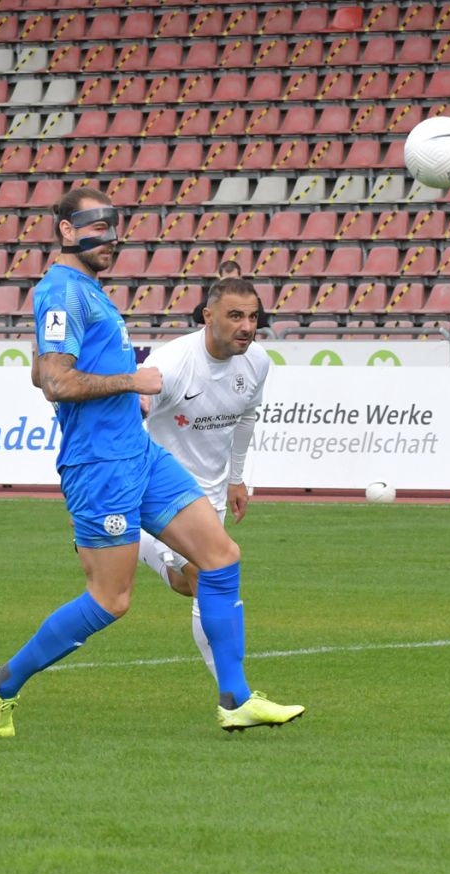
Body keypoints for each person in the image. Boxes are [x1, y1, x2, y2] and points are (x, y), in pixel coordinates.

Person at [0, 187, 302, 737]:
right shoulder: (62, 290)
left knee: (220, 557)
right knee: (111, 600)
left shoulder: (86, 290)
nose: (110, 238)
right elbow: (55, 383)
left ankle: (236, 699)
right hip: (99, 463)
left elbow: (41, 370)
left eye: (114, 227)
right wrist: (131, 380)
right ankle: (2, 683)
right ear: (66, 231)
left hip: (138, 452)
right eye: (96, 226)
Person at [137, 274, 271, 678]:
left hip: (210, 493)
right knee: (207, 579)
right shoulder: (172, 363)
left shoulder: (257, 362)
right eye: (235, 316)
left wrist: (236, 478)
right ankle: (233, 694)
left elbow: (246, 417)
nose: (246, 326)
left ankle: (142, 544)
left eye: (252, 317)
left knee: (186, 583)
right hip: (166, 491)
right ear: (208, 316)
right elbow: (130, 420)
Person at [188, 259, 268, 331]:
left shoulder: (250, 296)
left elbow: (261, 322)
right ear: (220, 280)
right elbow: (197, 317)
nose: (230, 284)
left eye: (234, 280)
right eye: (227, 281)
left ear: (240, 278)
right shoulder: (216, 297)